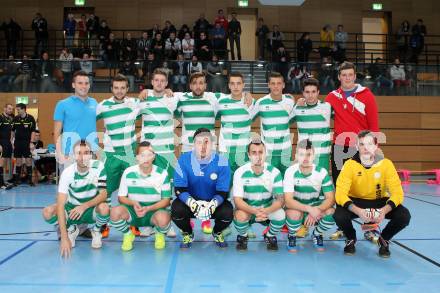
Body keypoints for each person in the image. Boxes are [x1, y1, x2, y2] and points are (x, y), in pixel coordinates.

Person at [333, 131, 411, 257]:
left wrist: (384, 211)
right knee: (339, 215)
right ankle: (351, 238)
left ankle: (384, 239)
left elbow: (398, 193)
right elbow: (340, 194)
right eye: (362, 144)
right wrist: (358, 211)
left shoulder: (386, 164)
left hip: (380, 201)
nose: (366, 148)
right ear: (357, 147)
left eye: (369, 144)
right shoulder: (349, 165)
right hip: (356, 201)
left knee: (404, 216)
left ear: (376, 146)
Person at [42, 140, 110, 258]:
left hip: (90, 208)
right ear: (74, 155)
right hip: (72, 210)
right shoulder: (67, 173)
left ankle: (96, 230)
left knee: (105, 208)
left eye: (86, 152)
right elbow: (61, 204)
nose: (83, 156)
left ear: (91, 154)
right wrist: (64, 238)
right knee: (47, 212)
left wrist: (84, 206)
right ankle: (71, 229)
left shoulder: (99, 167)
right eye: (79, 153)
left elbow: (103, 194)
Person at [172, 128, 232, 248]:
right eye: (199, 142)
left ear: (213, 144)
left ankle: (217, 232)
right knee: (176, 210)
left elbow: (223, 191)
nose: (203, 146)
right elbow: (179, 188)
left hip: (212, 202)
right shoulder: (183, 160)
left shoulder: (222, 161)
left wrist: (212, 205)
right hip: (190, 202)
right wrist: (193, 204)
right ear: (193, 144)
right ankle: (188, 233)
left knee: (228, 212)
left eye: (206, 142)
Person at [109, 141, 172, 251]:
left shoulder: (162, 173)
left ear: (154, 157)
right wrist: (133, 203)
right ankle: (128, 234)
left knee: (164, 218)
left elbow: (166, 200)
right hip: (134, 211)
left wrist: (148, 208)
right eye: (142, 155)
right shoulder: (128, 172)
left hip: (154, 211)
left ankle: (159, 234)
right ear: (137, 157)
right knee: (114, 212)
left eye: (149, 155)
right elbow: (121, 198)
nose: (145, 158)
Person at [233, 139, 285, 251]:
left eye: (261, 152)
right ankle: (243, 236)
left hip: (267, 209)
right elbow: (238, 201)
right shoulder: (240, 172)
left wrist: (266, 211)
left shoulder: (274, 172)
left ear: (265, 153)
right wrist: (256, 212)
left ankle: (270, 236)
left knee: (280, 216)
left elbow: (280, 200)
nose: (258, 156)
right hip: (249, 210)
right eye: (254, 152)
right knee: (239, 216)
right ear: (248, 155)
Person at [284, 139, 335, 252]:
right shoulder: (290, 171)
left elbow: (330, 199)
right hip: (297, 208)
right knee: (294, 214)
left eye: (308, 154)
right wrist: (309, 209)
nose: (305, 158)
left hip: (315, 206)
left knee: (331, 213)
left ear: (314, 155)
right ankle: (292, 235)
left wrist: (317, 209)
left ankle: (317, 234)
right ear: (296, 155)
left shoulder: (321, 172)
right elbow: (288, 201)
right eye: (302, 154)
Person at [96, 74, 141, 204]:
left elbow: (155, 100)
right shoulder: (103, 105)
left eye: (122, 87)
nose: (119, 91)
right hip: (111, 155)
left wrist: (166, 90)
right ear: (111, 88)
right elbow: (87, 121)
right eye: (116, 87)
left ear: (127, 89)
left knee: (131, 189)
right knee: (106, 189)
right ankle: (104, 221)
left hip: (130, 153)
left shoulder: (135, 103)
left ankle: (130, 221)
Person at [251, 72, 295, 175]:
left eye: (279, 83)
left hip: (285, 152)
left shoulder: (290, 101)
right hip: (268, 153)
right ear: (268, 85)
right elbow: (247, 120)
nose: (276, 86)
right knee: (269, 184)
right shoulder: (261, 102)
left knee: (285, 185)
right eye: (273, 83)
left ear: (283, 85)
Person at [216, 72, 254, 173]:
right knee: (224, 186)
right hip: (225, 152)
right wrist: (167, 90)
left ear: (243, 85)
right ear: (229, 86)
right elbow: (204, 94)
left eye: (238, 83)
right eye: (232, 83)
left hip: (244, 152)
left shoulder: (251, 102)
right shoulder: (221, 101)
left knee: (243, 185)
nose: (235, 86)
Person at [292, 78, 331, 171]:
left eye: (313, 92)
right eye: (307, 92)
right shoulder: (297, 108)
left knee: (322, 184)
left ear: (318, 92)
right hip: (304, 155)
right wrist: (295, 106)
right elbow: (285, 122)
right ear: (303, 93)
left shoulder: (327, 107)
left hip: (322, 155)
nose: (310, 95)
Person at [11, 103, 36, 186]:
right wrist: (11, 141)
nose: (17, 111)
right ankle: (17, 180)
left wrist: (31, 142)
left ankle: (30, 180)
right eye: (17, 109)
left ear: (24, 109)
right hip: (18, 142)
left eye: (18, 109)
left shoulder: (30, 118)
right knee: (18, 161)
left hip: (27, 142)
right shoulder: (15, 118)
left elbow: (33, 131)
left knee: (28, 160)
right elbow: (12, 131)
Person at [0, 104, 14, 189]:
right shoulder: (0, 117)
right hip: (1, 142)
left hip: (8, 142)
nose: (10, 110)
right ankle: (1, 184)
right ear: (5, 108)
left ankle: (4, 181)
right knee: (1, 162)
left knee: (5, 163)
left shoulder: (10, 119)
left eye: (11, 109)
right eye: (9, 109)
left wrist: (11, 142)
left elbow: (11, 132)